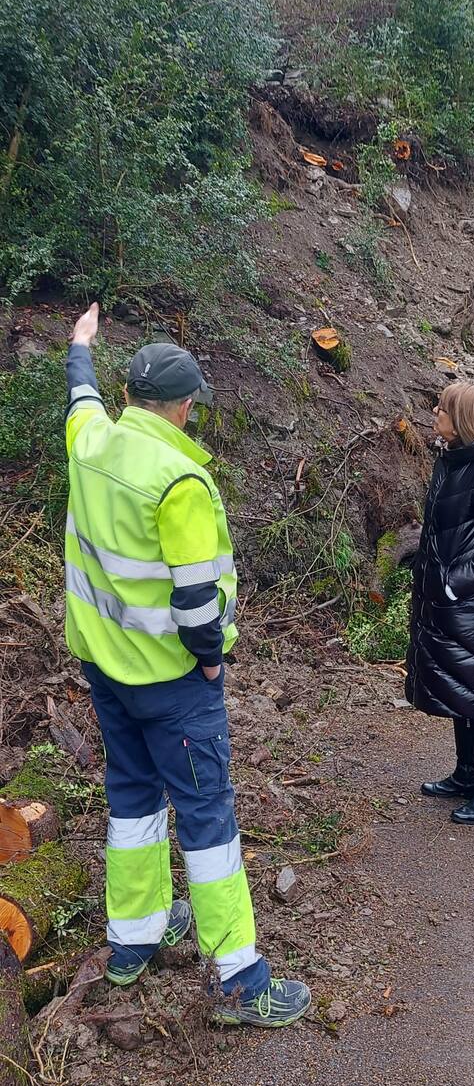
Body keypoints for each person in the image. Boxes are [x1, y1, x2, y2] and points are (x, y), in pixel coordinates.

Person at [64, 302, 310, 1026]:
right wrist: (211, 663)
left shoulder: (91, 441)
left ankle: (133, 940)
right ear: (186, 405)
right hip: (173, 684)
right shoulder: (179, 481)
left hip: (106, 672)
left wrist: (80, 344)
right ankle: (240, 978)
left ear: (130, 394)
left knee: (134, 800)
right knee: (208, 818)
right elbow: (199, 602)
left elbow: (80, 393)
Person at [405, 381, 474, 825]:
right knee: (461, 685)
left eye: (444, 408)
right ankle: (467, 773)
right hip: (448, 600)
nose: (435, 411)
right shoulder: (451, 459)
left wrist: (453, 584)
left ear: (465, 419)